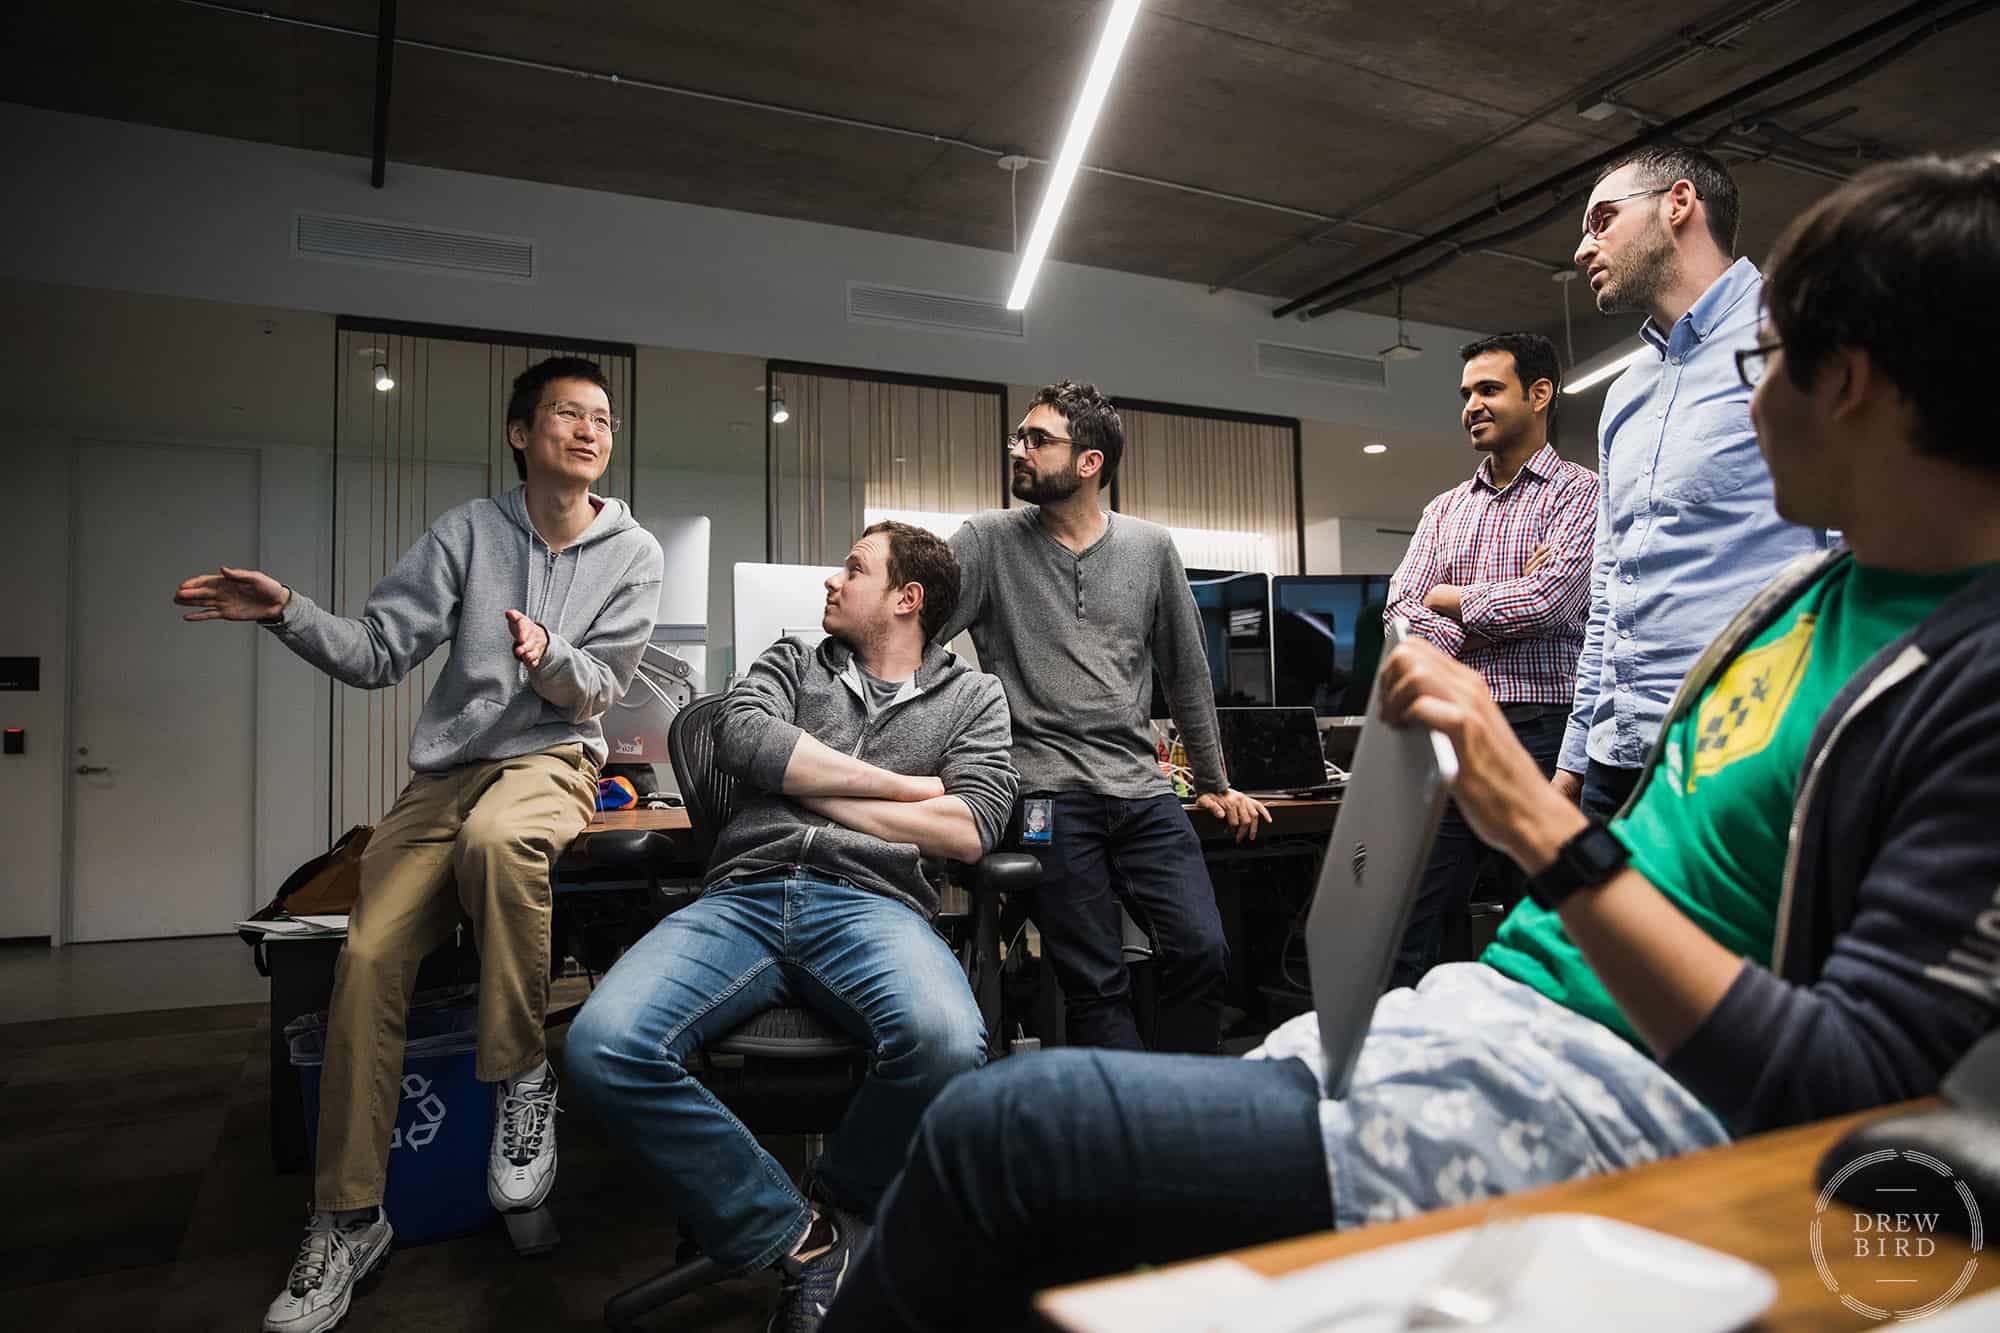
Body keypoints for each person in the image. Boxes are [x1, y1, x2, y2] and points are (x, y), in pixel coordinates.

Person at [819, 152, 2000, 1333]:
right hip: (1497, 1011)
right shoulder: (1796, 606)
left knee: (1004, 1132)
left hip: (1593, 1087)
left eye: (1767, 360)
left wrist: (1537, 822)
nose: (1743, 402)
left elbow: (1853, 1093)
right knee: (1083, 1205)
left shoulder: (1968, 677)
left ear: (1850, 382)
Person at [175, 356, 663, 1333]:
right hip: (442, 774)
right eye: (565, 413)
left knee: (497, 839)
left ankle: (521, 1071)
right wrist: (285, 612)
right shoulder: (467, 533)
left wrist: (547, 656)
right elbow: (374, 651)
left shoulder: (633, 552)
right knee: (363, 960)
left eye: (601, 417)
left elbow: (603, 690)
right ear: (521, 433)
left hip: (549, 764)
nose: (587, 428)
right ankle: (348, 1216)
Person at [564, 520, 1016, 1332]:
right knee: (601, 1045)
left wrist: (813, 785)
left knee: (949, 1043)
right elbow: (744, 738)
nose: (831, 582)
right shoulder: (788, 661)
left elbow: (972, 825)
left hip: (874, 904)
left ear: (907, 598)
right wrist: (906, 790)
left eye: (854, 568)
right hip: (743, 895)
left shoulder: (973, 697)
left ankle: (835, 1203)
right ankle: (801, 1236)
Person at [935, 380, 1270, 1054]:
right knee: (1096, 982)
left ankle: (1180, 1109)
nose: (1017, 450)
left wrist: (1212, 781)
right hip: (1044, 793)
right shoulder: (987, 541)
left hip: (1141, 790)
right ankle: (1123, 1135)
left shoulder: (1149, 548)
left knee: (1202, 951)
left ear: (1089, 462)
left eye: (1037, 439)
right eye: (1017, 437)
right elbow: (916, 645)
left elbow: (1186, 671)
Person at [1560, 146, 1834, 819]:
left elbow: (1852, 557)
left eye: (1602, 219)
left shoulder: (1800, 339)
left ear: (1677, 203)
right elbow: (1608, 586)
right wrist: (1572, 760)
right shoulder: (1625, 393)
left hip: (1744, 756)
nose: (1580, 249)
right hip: (1614, 763)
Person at [1385, 332, 1598, 986]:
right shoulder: (1443, 510)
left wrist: (1449, 598)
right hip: (1453, 735)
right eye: (1465, 394)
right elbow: (1400, 617)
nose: (1471, 405)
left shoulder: (1581, 494)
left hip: (1545, 734)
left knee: (1541, 931)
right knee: (1407, 925)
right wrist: (1472, 619)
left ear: (1539, 395)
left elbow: (1549, 604)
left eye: (1488, 389)